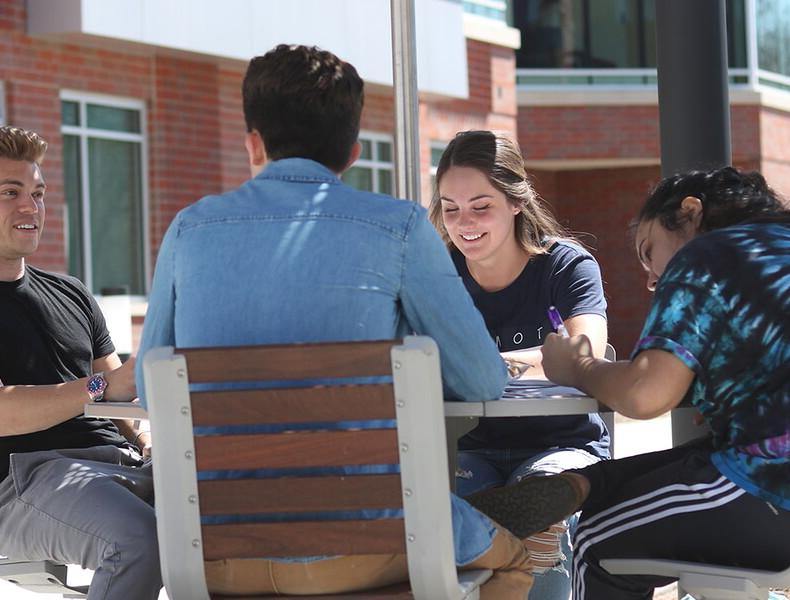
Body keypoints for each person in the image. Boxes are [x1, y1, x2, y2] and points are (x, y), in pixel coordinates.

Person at [135, 44, 531, 598]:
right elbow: (483, 381)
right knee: (518, 560)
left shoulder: (187, 232)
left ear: (253, 143)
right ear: (352, 151)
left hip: (216, 556)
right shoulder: (399, 228)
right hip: (364, 545)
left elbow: (151, 392)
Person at [467, 166, 790, 599]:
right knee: (700, 461)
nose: (652, 279)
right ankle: (582, 482)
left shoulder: (711, 252)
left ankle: (578, 495)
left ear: (690, 212)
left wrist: (579, 369)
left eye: (649, 251)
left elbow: (644, 395)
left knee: (599, 535)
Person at [0, 126, 159, 600]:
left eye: (37, 193)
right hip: (27, 484)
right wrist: (102, 388)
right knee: (140, 539)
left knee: (241, 515)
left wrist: (149, 445)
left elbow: (127, 399)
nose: (31, 207)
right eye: (10, 193)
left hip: (122, 467)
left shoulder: (72, 293)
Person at [429, 129, 609, 599]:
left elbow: (585, 349)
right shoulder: (435, 274)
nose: (463, 221)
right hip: (469, 447)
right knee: (447, 518)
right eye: (451, 208)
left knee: (543, 518)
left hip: (561, 442)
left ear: (516, 201)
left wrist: (486, 364)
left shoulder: (566, 265)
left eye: (481, 205)